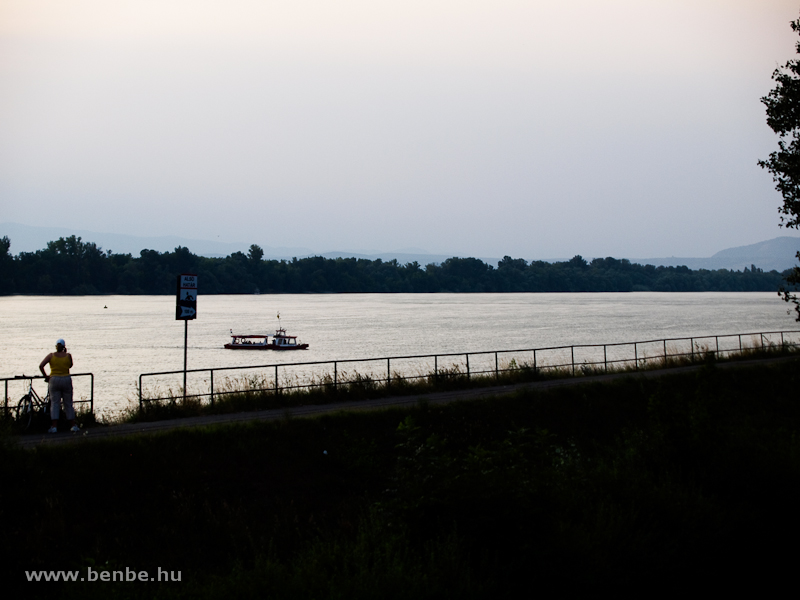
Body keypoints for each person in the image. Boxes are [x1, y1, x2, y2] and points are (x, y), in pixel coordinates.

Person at [39, 339, 79, 433]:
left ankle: (54, 426)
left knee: (55, 403)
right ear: (64, 347)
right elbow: (70, 366)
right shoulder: (68, 356)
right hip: (66, 379)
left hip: (54, 379)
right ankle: (73, 425)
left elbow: (41, 366)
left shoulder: (51, 356)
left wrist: (46, 376)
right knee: (68, 403)